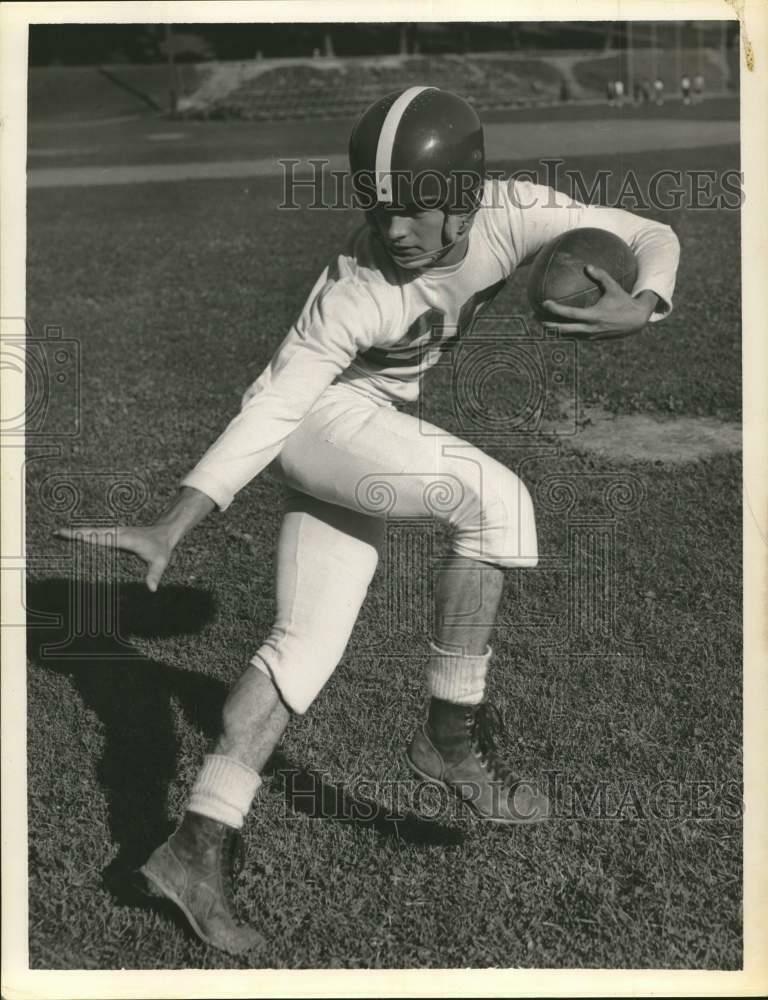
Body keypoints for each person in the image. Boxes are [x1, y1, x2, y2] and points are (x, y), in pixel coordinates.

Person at [57, 87, 681, 956]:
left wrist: (644, 303)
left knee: (298, 657)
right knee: (495, 497)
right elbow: (275, 406)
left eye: (416, 209)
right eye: (379, 208)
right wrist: (178, 519)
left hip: (367, 436)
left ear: (465, 195)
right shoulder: (353, 289)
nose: (394, 231)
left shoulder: (514, 213)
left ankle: (194, 850)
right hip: (324, 426)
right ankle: (450, 739)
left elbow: (653, 233)